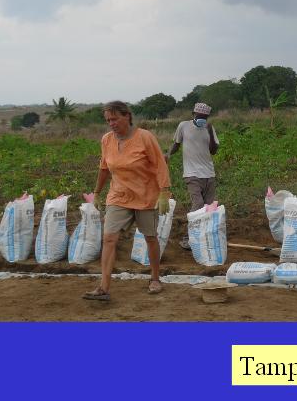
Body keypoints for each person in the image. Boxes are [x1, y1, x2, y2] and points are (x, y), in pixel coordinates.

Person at [83, 101, 171, 301]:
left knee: (150, 238)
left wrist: (164, 192)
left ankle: (155, 278)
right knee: (109, 238)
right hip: (119, 195)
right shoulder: (106, 140)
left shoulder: (145, 137)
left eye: (114, 119)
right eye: (108, 120)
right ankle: (103, 287)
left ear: (127, 116)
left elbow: (160, 165)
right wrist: (97, 192)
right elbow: (104, 168)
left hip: (145, 195)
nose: (111, 124)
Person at [165, 102, 219, 249]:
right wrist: (168, 154)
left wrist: (209, 132)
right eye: (200, 116)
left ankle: (203, 236)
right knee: (198, 204)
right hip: (192, 173)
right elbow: (176, 144)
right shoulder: (183, 126)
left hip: (209, 173)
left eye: (205, 117)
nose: (202, 119)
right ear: (193, 114)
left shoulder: (209, 128)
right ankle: (188, 237)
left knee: (208, 207)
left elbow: (214, 150)